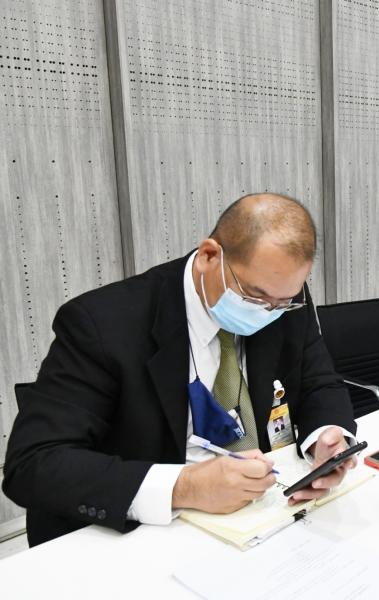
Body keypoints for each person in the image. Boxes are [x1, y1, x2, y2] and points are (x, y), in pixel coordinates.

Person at [3, 194, 358, 546]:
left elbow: (320, 382)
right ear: (209, 256)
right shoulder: (101, 325)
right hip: (148, 533)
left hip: (259, 517)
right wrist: (184, 487)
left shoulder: (281, 297)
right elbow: (34, 463)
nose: (268, 312)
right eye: (254, 297)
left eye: (283, 302)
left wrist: (327, 439)